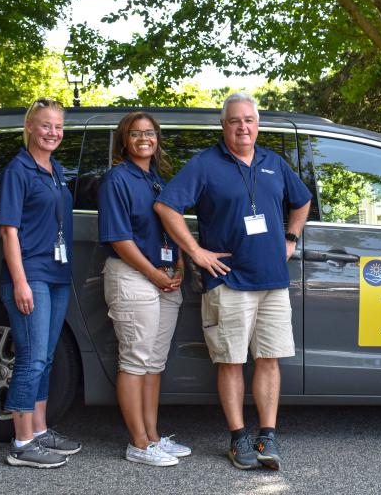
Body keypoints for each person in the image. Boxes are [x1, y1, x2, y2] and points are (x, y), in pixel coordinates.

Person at [155, 93, 311, 471]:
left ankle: (267, 436)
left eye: (249, 120)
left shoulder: (274, 162)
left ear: (257, 124)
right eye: (234, 121)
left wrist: (291, 238)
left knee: (269, 360)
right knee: (231, 362)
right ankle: (238, 438)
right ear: (223, 125)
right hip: (228, 282)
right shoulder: (205, 164)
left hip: (273, 281)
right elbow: (166, 206)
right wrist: (196, 252)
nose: (243, 127)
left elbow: (301, 201)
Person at [98, 111, 191, 467]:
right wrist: (155, 274)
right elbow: (119, 239)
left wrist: (179, 265)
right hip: (134, 277)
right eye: (135, 134)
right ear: (125, 140)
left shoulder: (157, 179)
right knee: (135, 361)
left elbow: (171, 225)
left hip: (166, 278)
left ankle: (153, 436)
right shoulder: (116, 180)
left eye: (149, 133)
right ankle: (137, 442)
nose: (143, 139)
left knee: (154, 362)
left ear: (157, 138)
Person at [0, 98, 82, 468]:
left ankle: (40, 429)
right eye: (46, 125)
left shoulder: (55, 169)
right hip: (31, 274)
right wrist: (19, 282)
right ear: (30, 126)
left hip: (57, 274)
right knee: (30, 358)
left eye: (58, 127)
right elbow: (8, 230)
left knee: (46, 358)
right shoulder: (18, 170)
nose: (53, 133)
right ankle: (21, 442)